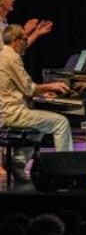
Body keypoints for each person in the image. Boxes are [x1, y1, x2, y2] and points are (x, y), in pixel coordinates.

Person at [0, 24, 73, 183]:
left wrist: (41, 92)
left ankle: (17, 164)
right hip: (12, 113)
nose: (27, 42)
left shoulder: (3, 54)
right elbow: (28, 88)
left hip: (6, 111)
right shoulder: (11, 57)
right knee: (61, 122)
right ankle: (65, 171)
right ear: (15, 41)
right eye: (25, 39)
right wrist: (50, 86)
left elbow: (21, 88)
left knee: (41, 125)